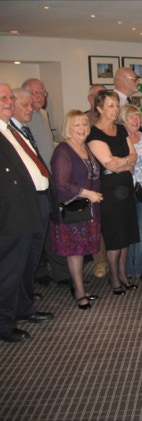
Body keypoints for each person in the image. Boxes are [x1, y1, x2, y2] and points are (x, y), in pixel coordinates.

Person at [0, 82, 55, 343]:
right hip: (13, 212)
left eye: (10, 97)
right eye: (3, 98)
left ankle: (23, 308)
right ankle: (3, 322)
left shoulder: (12, 129)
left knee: (28, 263)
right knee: (10, 269)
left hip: (34, 203)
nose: (9, 102)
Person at [15, 86, 72, 288]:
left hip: (49, 180)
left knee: (53, 228)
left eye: (41, 94)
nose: (33, 104)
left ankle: (60, 273)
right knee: (35, 232)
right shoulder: (13, 128)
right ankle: (37, 274)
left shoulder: (42, 115)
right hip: (30, 188)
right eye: (32, 96)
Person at [87, 91, 140, 295]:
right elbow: (109, 164)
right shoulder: (94, 133)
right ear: (99, 108)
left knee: (125, 235)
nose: (116, 109)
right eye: (111, 106)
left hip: (126, 186)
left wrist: (123, 162)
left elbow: (134, 156)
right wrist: (126, 163)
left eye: (117, 105)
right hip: (109, 190)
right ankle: (114, 278)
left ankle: (123, 275)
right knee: (115, 236)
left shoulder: (121, 129)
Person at [50, 110, 103, 310]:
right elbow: (61, 183)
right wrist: (87, 194)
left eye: (84, 124)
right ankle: (79, 292)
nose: (82, 128)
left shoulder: (85, 146)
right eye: (77, 125)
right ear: (68, 128)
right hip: (73, 211)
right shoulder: (63, 150)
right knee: (74, 252)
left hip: (88, 209)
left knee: (81, 251)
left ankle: (79, 286)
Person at [120, 104, 142, 284]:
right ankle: (125, 269)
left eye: (138, 116)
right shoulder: (119, 139)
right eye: (131, 117)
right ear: (123, 120)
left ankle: (139, 268)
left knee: (141, 230)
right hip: (123, 192)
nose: (135, 120)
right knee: (126, 230)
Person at [84, 85, 109, 278]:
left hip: (112, 179)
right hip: (92, 177)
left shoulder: (115, 120)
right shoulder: (84, 120)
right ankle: (100, 261)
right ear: (90, 99)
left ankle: (113, 260)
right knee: (96, 223)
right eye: (97, 96)